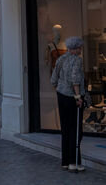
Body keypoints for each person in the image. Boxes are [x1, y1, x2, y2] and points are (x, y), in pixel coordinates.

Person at [51, 36, 87, 172]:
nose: (81, 50)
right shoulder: (77, 60)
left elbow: (53, 79)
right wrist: (78, 97)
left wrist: (60, 89)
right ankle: (74, 162)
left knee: (65, 129)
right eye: (80, 47)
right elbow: (75, 80)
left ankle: (65, 162)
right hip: (72, 97)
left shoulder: (61, 58)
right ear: (76, 48)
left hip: (61, 96)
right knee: (75, 130)